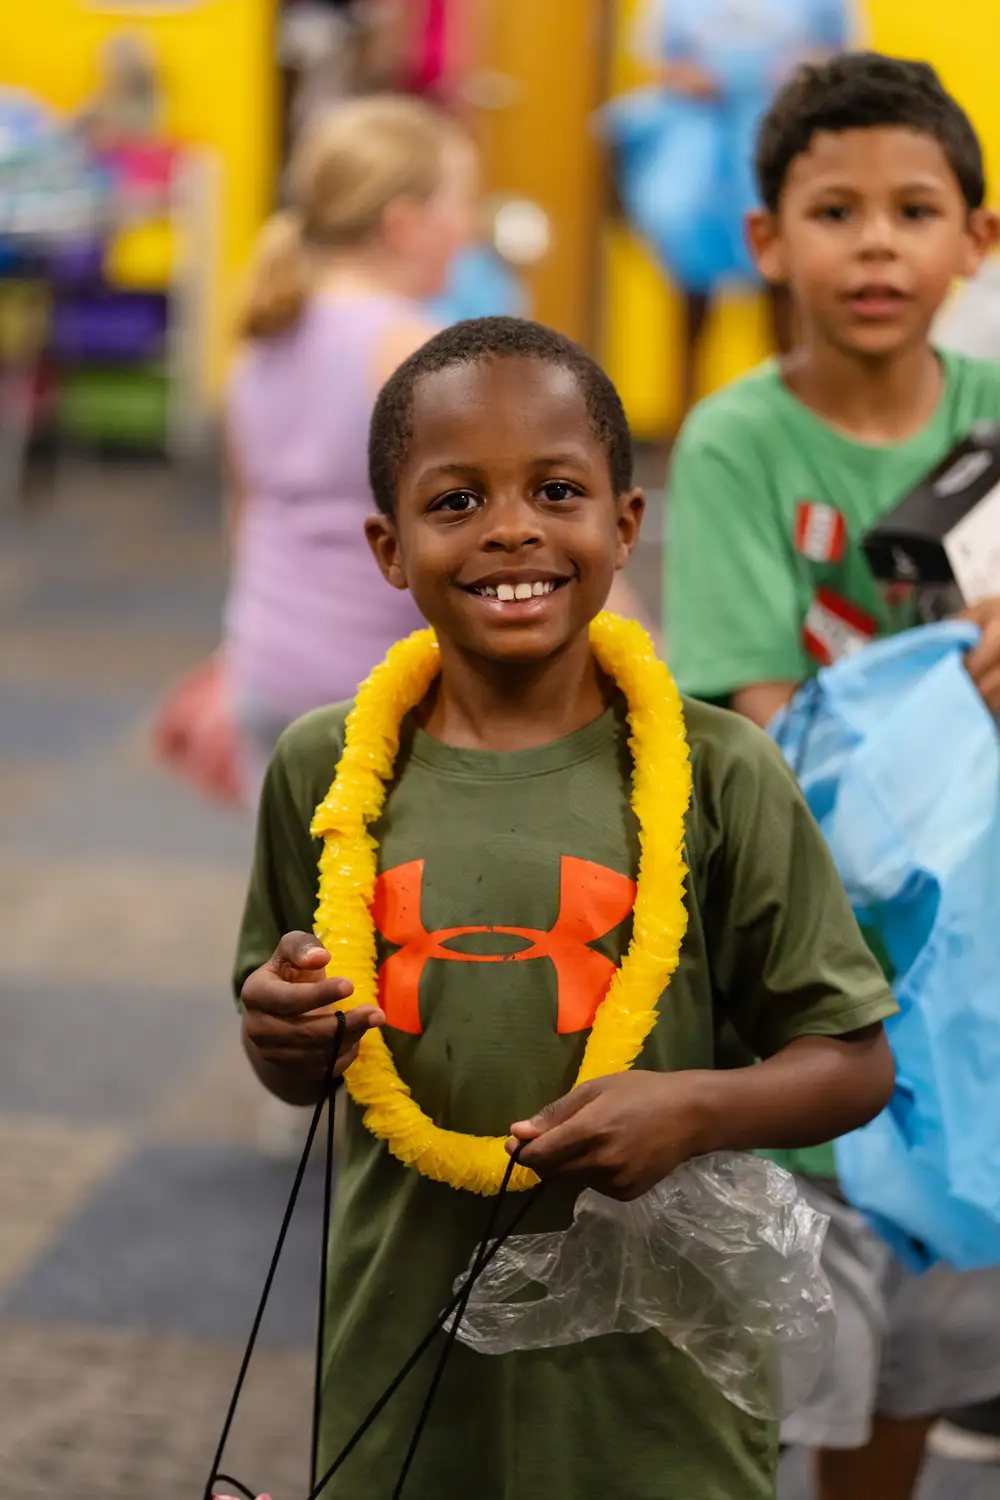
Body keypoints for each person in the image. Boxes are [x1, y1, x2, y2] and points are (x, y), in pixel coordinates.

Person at [233, 315, 896, 1498]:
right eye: (454, 503)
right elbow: (298, 1067)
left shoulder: (719, 769)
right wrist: (281, 1030)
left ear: (624, 522)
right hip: (401, 1348)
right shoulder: (325, 772)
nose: (510, 530)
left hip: (655, 1386)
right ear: (388, 546)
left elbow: (851, 1065)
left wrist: (691, 1108)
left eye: (554, 489)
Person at [665, 51, 1000, 1500]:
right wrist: (952, 693)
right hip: (808, 969)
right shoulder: (740, 441)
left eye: (915, 209)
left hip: (974, 979)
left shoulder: (995, 412)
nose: (876, 242)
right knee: (776, 1341)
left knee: (919, 1353)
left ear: (977, 242)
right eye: (837, 209)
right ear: (766, 242)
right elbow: (763, 732)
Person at [223, 93, 476, 799]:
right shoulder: (415, 352)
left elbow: (246, 521)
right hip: (374, 697)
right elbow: (488, 541)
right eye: (461, 205)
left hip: (264, 672)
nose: (470, 228)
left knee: (294, 904)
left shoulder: (259, 341)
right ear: (404, 224)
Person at [609, 0, 857, 416]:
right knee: (693, 306)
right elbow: (659, 62)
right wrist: (694, 79)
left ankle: (793, 423)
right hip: (702, 163)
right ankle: (682, 423)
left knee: (781, 301)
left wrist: (802, 69)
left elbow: (839, 55)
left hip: (774, 147)